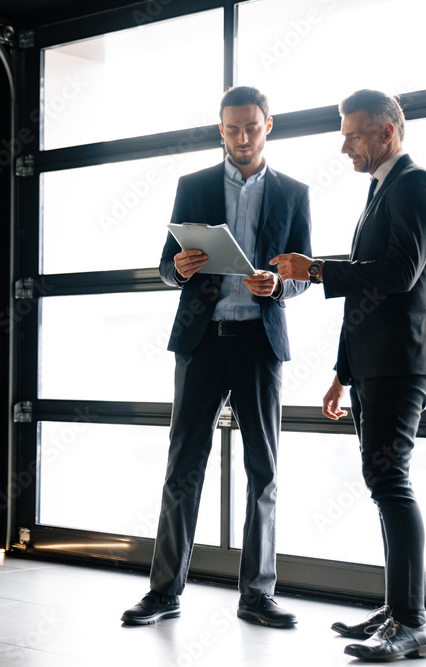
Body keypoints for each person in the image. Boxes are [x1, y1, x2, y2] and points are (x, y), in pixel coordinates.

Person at [121, 86, 312, 628]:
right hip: (201, 342)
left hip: (259, 343)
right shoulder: (193, 186)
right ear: (220, 129)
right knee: (183, 467)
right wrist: (176, 270)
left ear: (268, 125)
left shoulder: (294, 193)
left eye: (251, 126)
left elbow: (302, 276)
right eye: (232, 128)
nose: (242, 137)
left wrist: (277, 285)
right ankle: (163, 592)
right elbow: (166, 265)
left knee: (263, 471)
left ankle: (257, 595)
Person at [271, 89, 426, 660]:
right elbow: (366, 296)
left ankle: (413, 620)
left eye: (352, 133)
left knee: (390, 481)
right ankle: (399, 607)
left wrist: (317, 268)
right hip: (373, 363)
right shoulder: (382, 190)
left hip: (401, 359)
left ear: (387, 133)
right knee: (382, 484)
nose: (343, 145)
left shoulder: (415, 185)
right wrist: (341, 375)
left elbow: (398, 275)